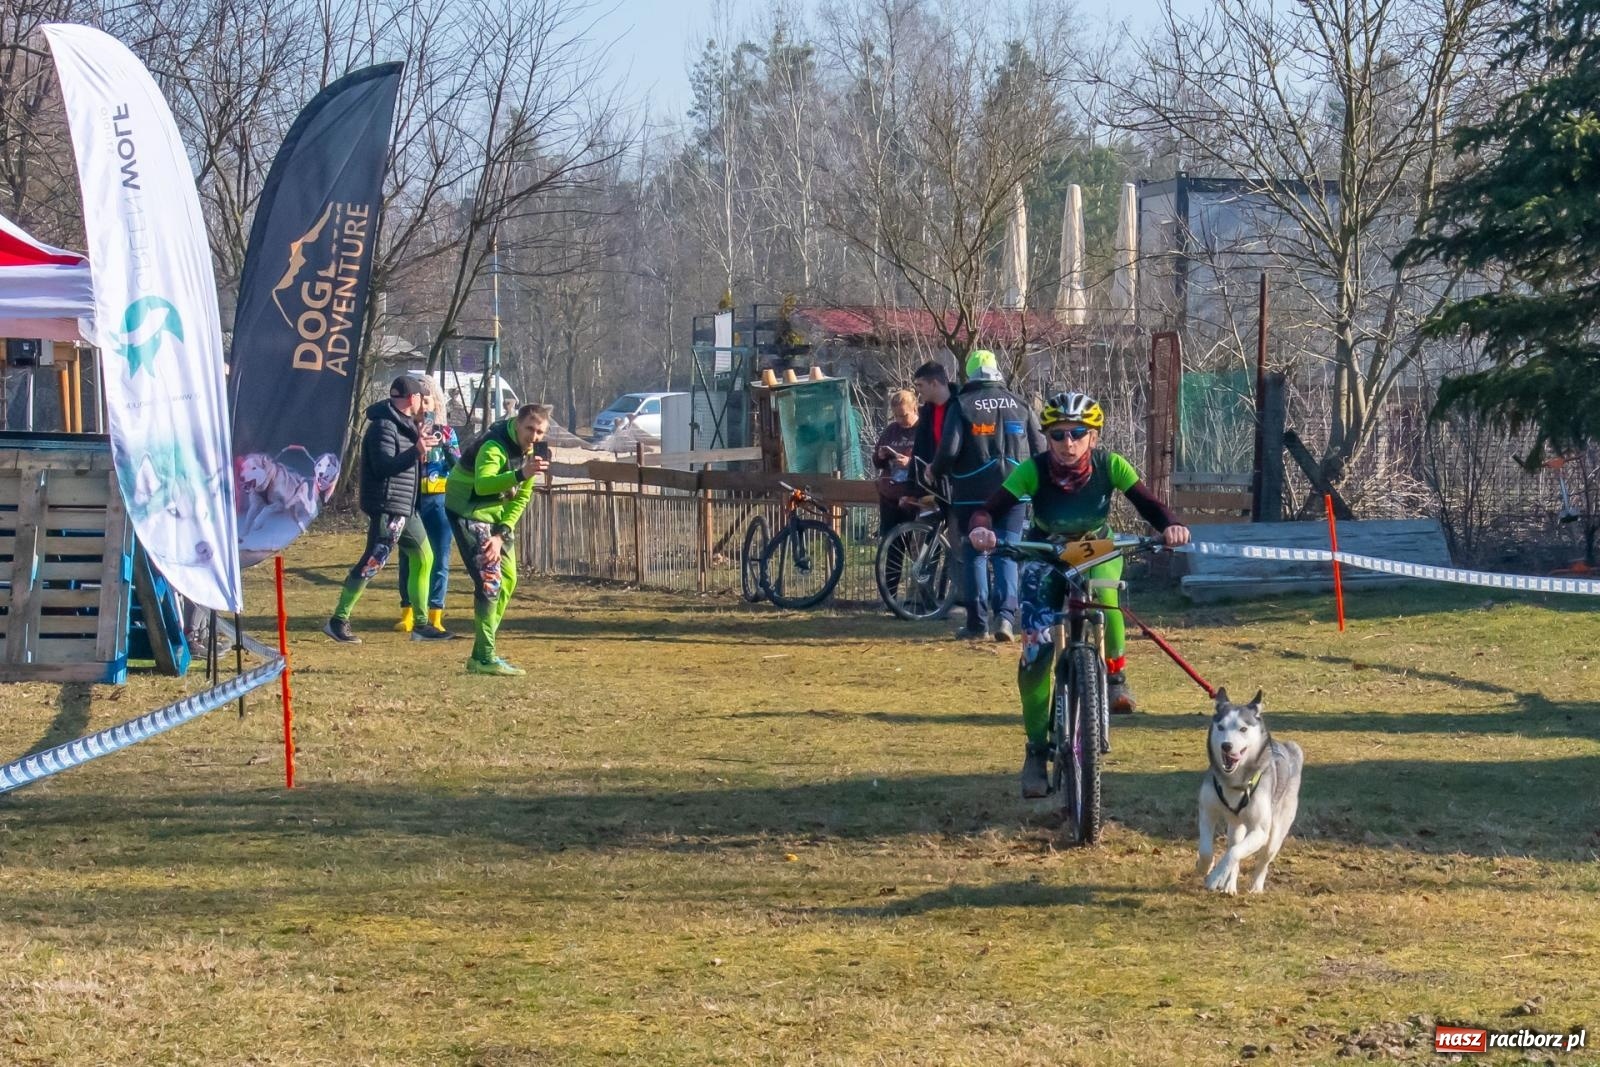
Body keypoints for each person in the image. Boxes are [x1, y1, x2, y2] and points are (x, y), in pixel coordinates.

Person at [967, 390, 1191, 798]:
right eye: (1058, 435)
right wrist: (981, 529)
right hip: (1045, 550)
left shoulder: (1111, 466)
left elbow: (1151, 506)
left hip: (1096, 548)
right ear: (1047, 437)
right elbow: (991, 507)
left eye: (1078, 434)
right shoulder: (1033, 470)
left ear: (1094, 436)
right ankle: (1036, 749)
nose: (1068, 444)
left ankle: (1116, 676)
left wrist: (1171, 526)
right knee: (1035, 650)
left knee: (1107, 593)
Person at [324, 376, 450, 643]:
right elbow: (383, 467)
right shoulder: (383, 427)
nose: (423, 407)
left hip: (405, 507)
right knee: (372, 562)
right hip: (388, 506)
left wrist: (420, 447)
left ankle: (421, 624)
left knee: (425, 556)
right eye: (421, 400)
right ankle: (338, 620)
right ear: (413, 399)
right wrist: (416, 451)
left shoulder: (406, 426)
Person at [932, 349, 1043, 642]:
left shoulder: (962, 404)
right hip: (1015, 491)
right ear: (997, 371)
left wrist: (936, 470)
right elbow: (1039, 446)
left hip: (971, 492)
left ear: (969, 374)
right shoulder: (1020, 403)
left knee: (975, 554)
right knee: (1007, 552)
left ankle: (977, 622)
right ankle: (1005, 619)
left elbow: (949, 450)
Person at [445, 402, 552, 675]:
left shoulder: (533, 453)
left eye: (540, 431)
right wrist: (520, 473)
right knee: (490, 581)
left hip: (497, 513)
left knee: (509, 579)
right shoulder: (493, 446)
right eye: (530, 428)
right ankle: (486, 656)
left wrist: (501, 534)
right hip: (469, 507)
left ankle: (480, 653)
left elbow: (523, 496)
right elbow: (483, 485)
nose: (534, 436)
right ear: (517, 423)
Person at [395, 377, 461, 637]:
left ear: (436, 401)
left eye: (428, 398)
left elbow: (457, 466)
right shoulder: (403, 430)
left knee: (440, 556)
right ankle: (408, 612)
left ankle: (436, 614)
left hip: (439, 500)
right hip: (410, 498)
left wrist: (444, 446)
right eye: (419, 398)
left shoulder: (446, 433)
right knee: (408, 556)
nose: (424, 404)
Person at [873, 389, 921, 598]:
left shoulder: (922, 430)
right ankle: (889, 595)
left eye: (904, 415)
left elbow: (933, 461)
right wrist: (881, 456)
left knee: (917, 549)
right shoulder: (891, 431)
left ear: (914, 408)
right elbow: (876, 461)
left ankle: (920, 595)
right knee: (891, 546)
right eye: (897, 416)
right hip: (890, 497)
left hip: (914, 497)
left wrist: (910, 463)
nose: (900, 420)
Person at [900, 361, 954, 511]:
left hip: (956, 484)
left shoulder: (959, 407)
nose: (918, 390)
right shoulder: (927, 412)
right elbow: (919, 450)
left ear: (934, 383)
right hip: (931, 483)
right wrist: (911, 489)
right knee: (925, 529)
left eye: (920, 385)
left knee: (956, 531)